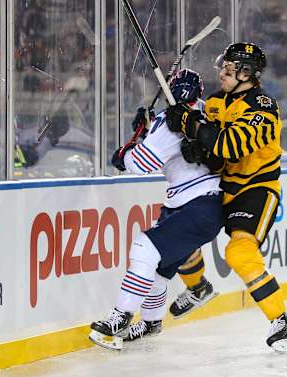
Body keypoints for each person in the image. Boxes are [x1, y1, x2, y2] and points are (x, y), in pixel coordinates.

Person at [165, 42, 287, 353]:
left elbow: (230, 145)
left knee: (240, 254)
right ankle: (198, 288)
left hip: (257, 189)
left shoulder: (264, 107)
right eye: (223, 67)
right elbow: (215, 154)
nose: (222, 73)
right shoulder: (216, 102)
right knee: (179, 229)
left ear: (247, 73)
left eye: (229, 68)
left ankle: (284, 324)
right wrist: (192, 141)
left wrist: (190, 123)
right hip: (223, 185)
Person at [89, 69, 224, 349]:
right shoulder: (204, 112)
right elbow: (177, 144)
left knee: (143, 248)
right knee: (160, 270)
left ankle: (120, 316)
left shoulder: (169, 120)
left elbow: (143, 162)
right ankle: (151, 322)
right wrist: (149, 129)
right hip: (205, 206)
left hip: (196, 204)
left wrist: (123, 156)